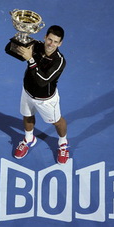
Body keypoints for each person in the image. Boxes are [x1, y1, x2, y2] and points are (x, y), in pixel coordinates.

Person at [7, 25, 69, 164]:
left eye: (55, 42)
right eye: (50, 39)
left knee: (57, 122)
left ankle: (63, 143)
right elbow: (9, 50)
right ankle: (29, 138)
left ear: (60, 43)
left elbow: (43, 81)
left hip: (46, 100)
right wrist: (20, 38)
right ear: (45, 37)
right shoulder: (36, 46)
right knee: (27, 115)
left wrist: (30, 59)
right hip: (27, 92)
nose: (51, 44)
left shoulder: (59, 61)